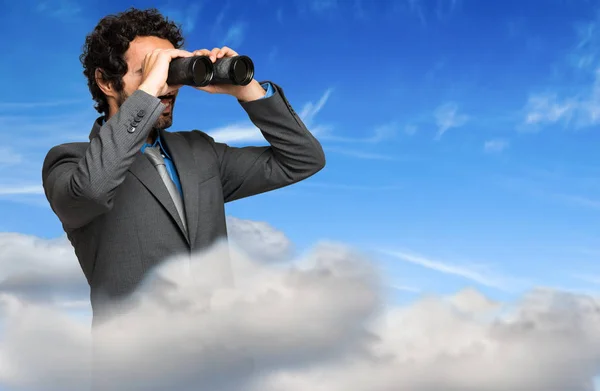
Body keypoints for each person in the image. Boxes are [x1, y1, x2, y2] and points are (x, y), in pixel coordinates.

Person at [41, 7, 325, 325]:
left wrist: (246, 90)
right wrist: (151, 89)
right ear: (107, 82)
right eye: (150, 71)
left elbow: (302, 159)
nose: (169, 85)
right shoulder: (71, 162)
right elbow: (92, 192)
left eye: (171, 69)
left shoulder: (199, 151)